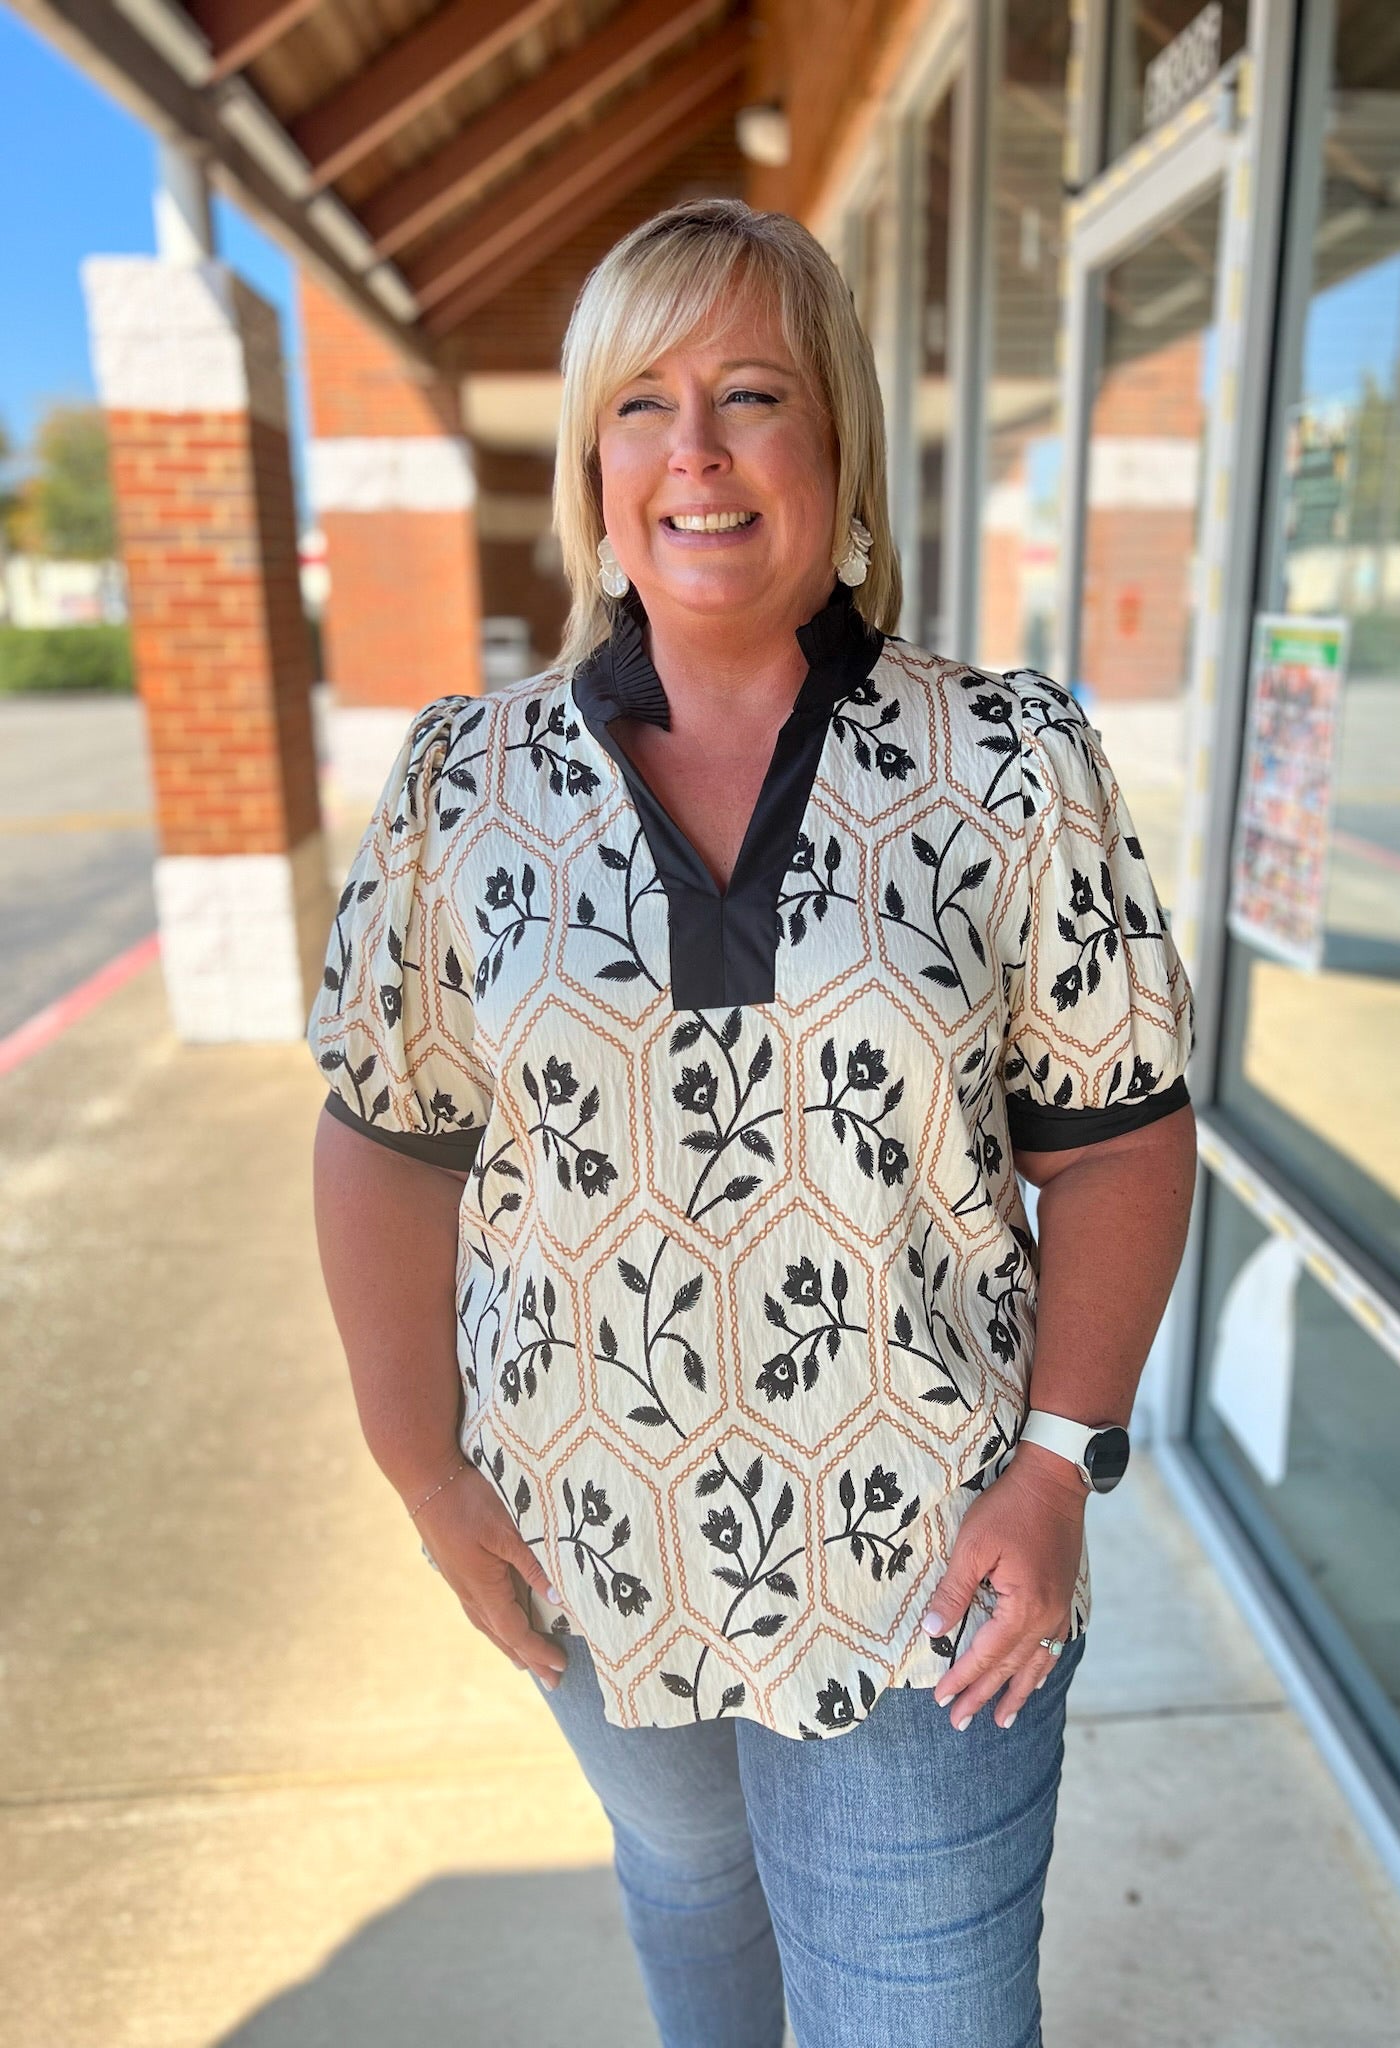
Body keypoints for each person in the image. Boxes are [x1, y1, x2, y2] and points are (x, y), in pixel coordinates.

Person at [308, 197, 1197, 2048]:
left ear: (840, 448)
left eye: (751, 393)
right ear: (591, 468)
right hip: (592, 1548)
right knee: (694, 1903)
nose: (694, 451)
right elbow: (390, 1137)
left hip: (931, 1555)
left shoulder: (1006, 759)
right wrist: (421, 1468)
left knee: (921, 2015)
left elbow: (1116, 1133)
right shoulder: (462, 786)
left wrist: (1058, 1464)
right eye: (640, 403)